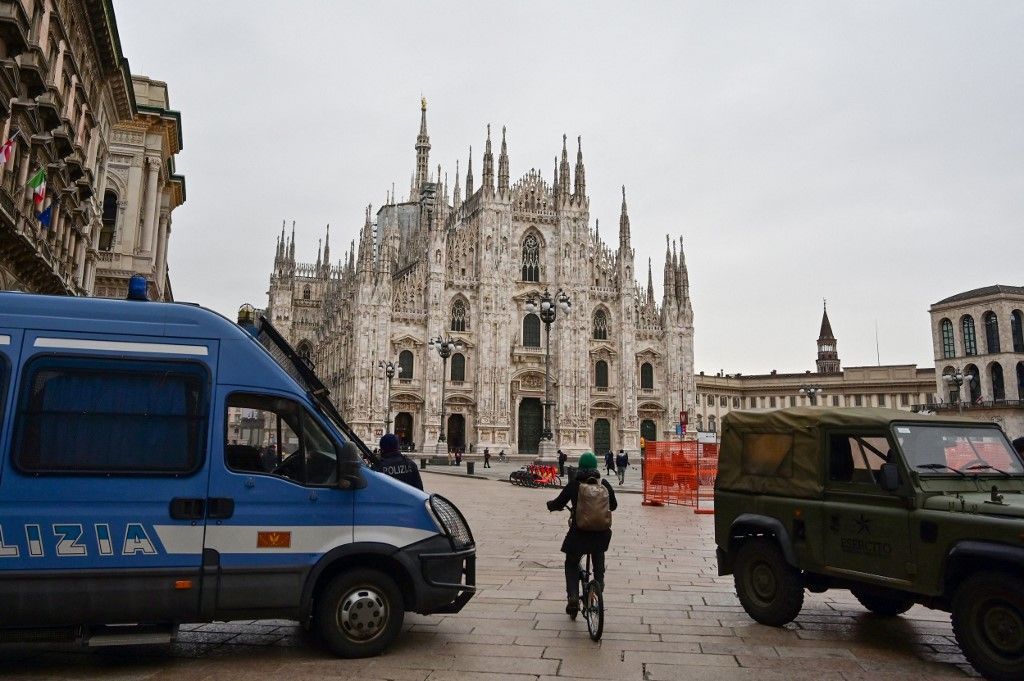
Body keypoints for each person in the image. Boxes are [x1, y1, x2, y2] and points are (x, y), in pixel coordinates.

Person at [546, 452, 617, 618]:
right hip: (601, 534)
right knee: (598, 558)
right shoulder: (604, 484)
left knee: (571, 562)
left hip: (579, 534)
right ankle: (597, 587)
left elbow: (558, 503)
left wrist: (550, 506)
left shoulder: (574, 485)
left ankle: (572, 597)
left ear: (580, 467)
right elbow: (613, 505)